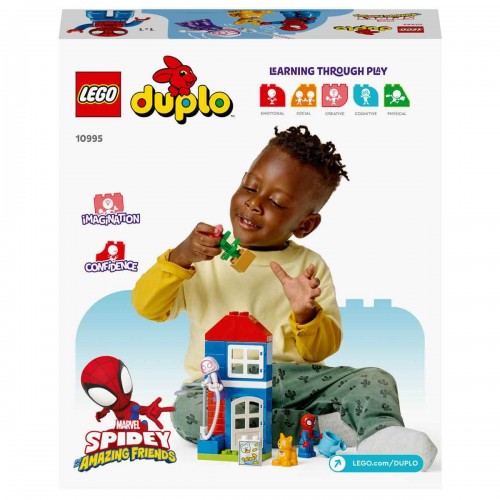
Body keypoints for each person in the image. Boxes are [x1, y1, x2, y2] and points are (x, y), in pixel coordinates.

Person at [132, 125, 437, 470]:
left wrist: (306, 314)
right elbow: (147, 307)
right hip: (219, 384)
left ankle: (382, 434)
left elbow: (321, 351)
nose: (254, 203)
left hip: (296, 381)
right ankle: (323, 426)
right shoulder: (200, 258)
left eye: (276, 202)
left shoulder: (309, 267)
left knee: (376, 378)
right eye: (250, 187)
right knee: (189, 413)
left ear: (305, 225)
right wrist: (178, 259)